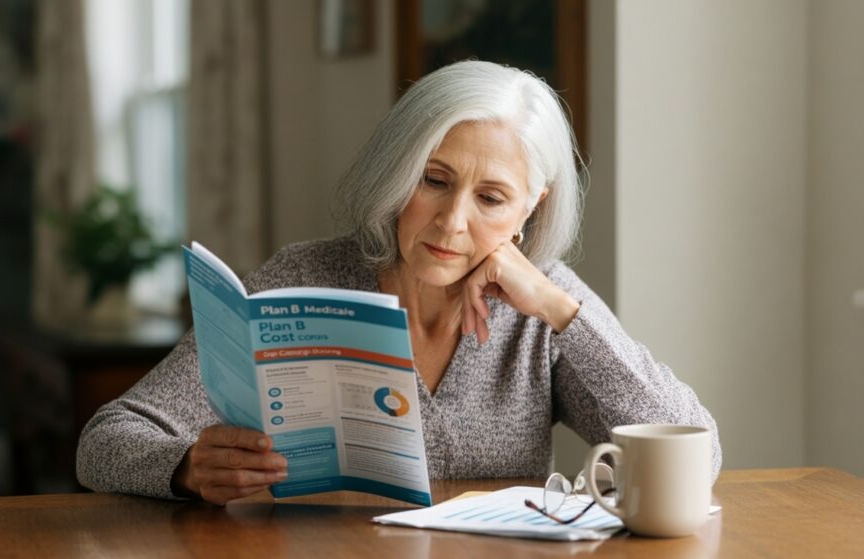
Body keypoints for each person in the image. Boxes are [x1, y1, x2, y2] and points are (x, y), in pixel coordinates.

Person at [77, 60, 721, 505]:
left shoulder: (545, 309)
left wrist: (561, 308)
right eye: (434, 180)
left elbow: (697, 457)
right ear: (398, 172)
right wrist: (186, 469)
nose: (452, 220)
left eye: (492, 198)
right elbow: (105, 441)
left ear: (532, 209)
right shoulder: (299, 278)